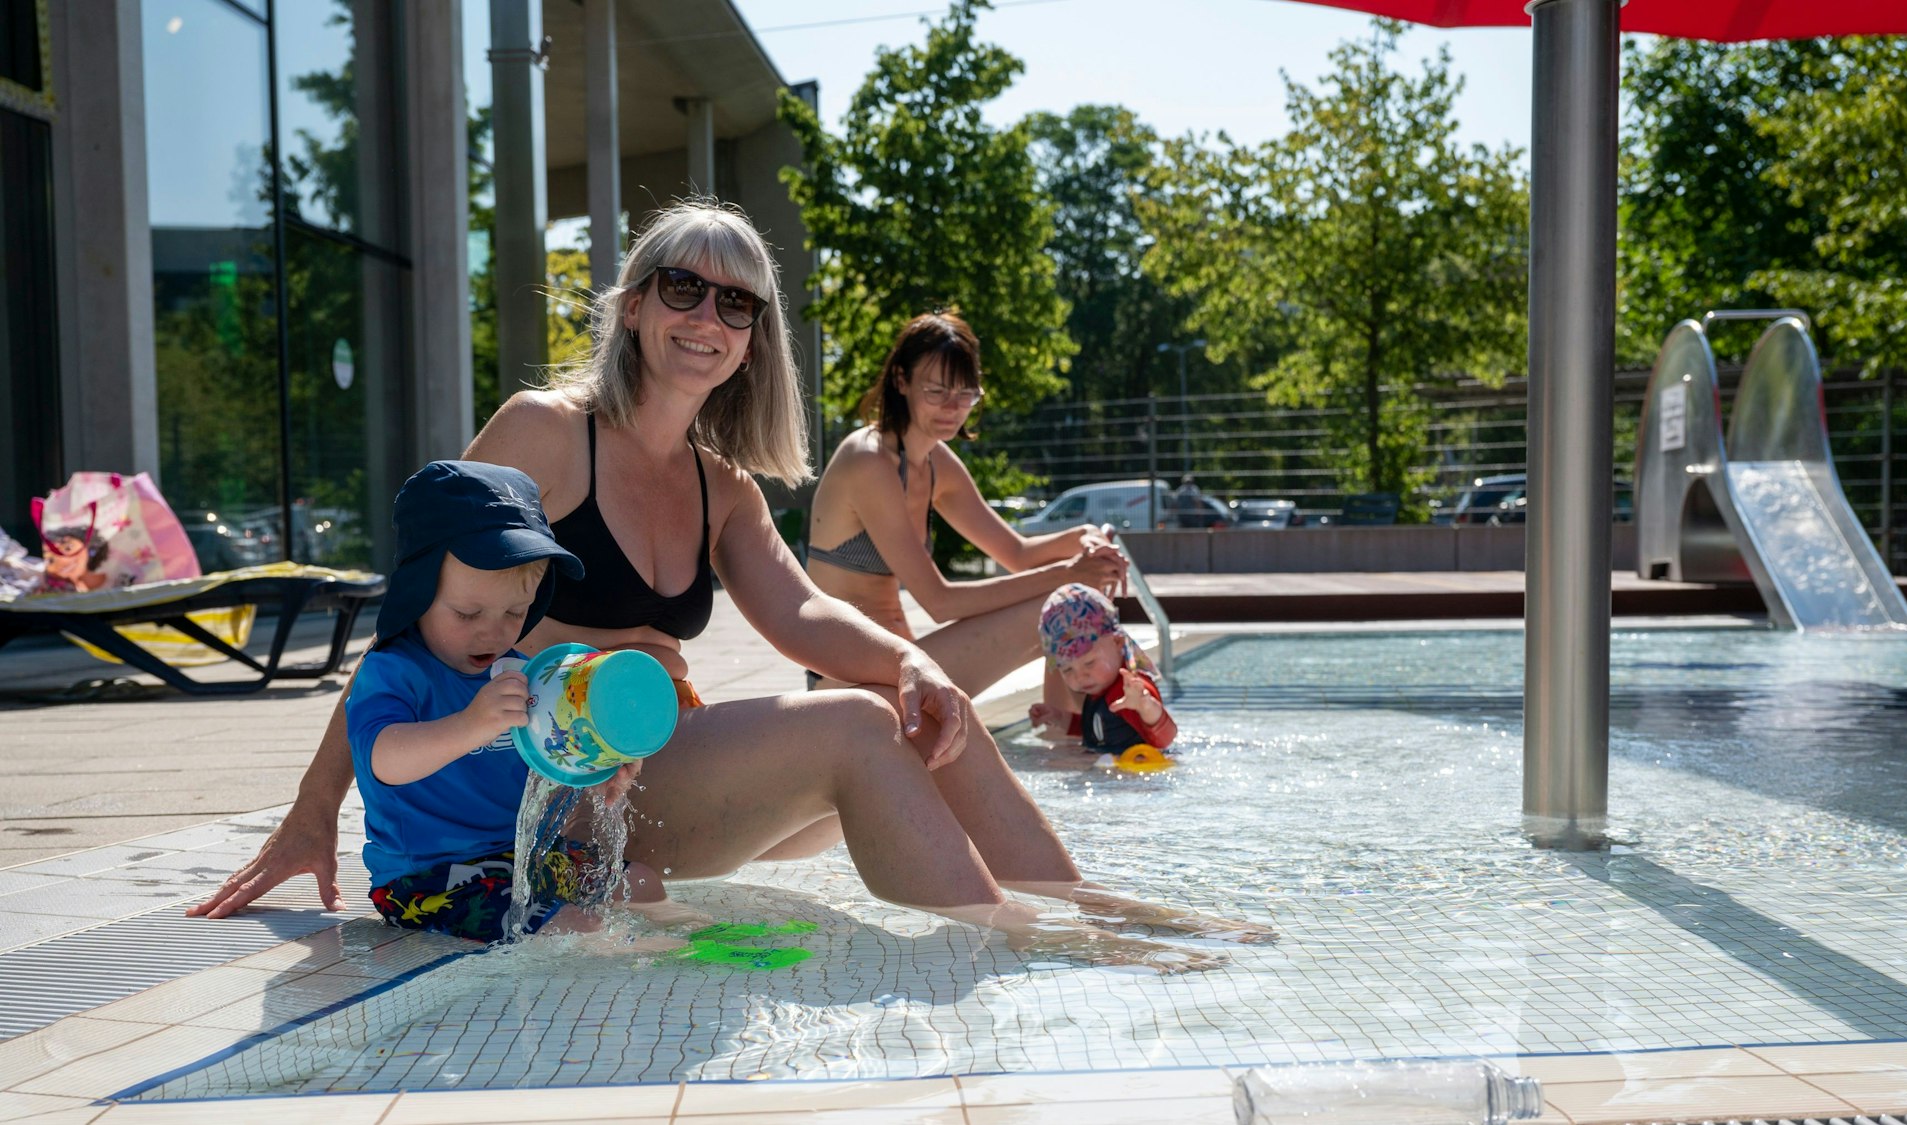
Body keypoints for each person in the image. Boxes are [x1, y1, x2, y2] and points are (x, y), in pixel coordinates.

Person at [192, 200, 1267, 964]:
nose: (707, 316)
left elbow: (802, 613)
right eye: (682, 287)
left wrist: (905, 666)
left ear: (755, 340)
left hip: (640, 785)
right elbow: (416, 618)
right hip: (542, 798)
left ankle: (1074, 902)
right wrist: (308, 814)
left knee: (919, 708)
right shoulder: (545, 434)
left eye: (736, 303)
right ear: (632, 307)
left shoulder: (723, 488)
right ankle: (1020, 938)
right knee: (852, 726)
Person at [348, 460, 675, 945]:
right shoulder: (394, 671)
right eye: (467, 612)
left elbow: (556, 747)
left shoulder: (524, 671)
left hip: (519, 856)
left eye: (516, 613)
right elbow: (382, 759)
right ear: (418, 592)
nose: (493, 631)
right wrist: (470, 723)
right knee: (570, 927)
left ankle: (702, 949)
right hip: (428, 879)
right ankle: (652, 961)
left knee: (642, 881)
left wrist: (602, 760)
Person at [804, 312, 1127, 699]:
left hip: (901, 664)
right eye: (937, 392)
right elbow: (940, 602)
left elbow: (1017, 553)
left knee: (1073, 595)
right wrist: (1070, 572)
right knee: (1065, 604)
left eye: (965, 394)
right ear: (901, 381)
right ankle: (1069, 735)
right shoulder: (868, 460)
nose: (952, 408)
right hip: (849, 684)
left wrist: (1084, 539)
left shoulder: (935, 463)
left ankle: (1067, 734)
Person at [1029, 584, 1177, 756]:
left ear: (1117, 643)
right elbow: (1097, 730)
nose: (1079, 676)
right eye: (1067, 669)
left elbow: (1166, 739)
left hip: (1139, 777)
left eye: (1089, 663)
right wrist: (1059, 718)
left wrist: (1147, 707)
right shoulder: (1100, 690)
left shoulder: (1131, 690)